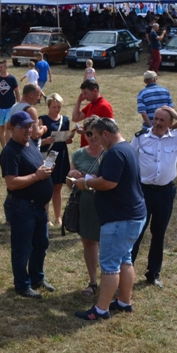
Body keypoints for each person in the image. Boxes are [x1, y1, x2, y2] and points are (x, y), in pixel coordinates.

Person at [71, 117, 146, 321]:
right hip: (133, 215)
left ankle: (101, 309)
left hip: (119, 219)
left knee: (110, 264)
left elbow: (109, 183)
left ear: (106, 133)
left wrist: (86, 183)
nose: (96, 141)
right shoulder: (127, 148)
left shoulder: (115, 153)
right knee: (125, 259)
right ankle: (124, 301)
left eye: (96, 137)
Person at [129, 106, 177, 288]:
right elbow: (130, 161)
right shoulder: (141, 137)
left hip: (165, 193)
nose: (158, 123)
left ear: (171, 123)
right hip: (143, 191)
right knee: (136, 232)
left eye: (162, 120)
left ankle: (153, 272)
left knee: (159, 232)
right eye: (156, 119)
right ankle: (126, 269)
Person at [0, 111, 54, 299]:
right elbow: (12, 183)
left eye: (30, 126)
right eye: (24, 127)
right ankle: (22, 285)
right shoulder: (9, 152)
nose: (28, 130)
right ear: (13, 128)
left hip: (38, 207)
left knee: (41, 243)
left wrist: (45, 169)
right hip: (23, 207)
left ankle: (37, 278)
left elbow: (35, 168)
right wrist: (37, 176)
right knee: (23, 248)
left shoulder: (30, 144)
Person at [67, 116, 104, 298]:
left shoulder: (110, 152)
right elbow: (70, 185)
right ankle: (93, 281)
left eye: (95, 133)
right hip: (86, 205)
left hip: (106, 206)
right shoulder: (79, 154)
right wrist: (71, 175)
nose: (92, 137)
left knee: (108, 245)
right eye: (88, 133)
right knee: (89, 243)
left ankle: (110, 280)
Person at [38, 93, 72, 228]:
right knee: (48, 186)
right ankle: (46, 218)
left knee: (58, 187)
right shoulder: (43, 120)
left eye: (59, 107)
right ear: (48, 107)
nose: (57, 109)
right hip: (49, 155)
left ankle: (58, 217)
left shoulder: (65, 119)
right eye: (54, 107)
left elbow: (69, 139)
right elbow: (36, 141)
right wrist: (46, 140)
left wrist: (69, 137)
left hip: (61, 154)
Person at [72, 79, 114, 148]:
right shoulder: (91, 105)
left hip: (96, 150)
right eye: (82, 94)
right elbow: (75, 118)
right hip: (87, 148)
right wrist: (79, 101)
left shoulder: (104, 106)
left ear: (95, 91)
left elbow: (109, 131)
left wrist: (85, 132)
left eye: (85, 93)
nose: (84, 96)